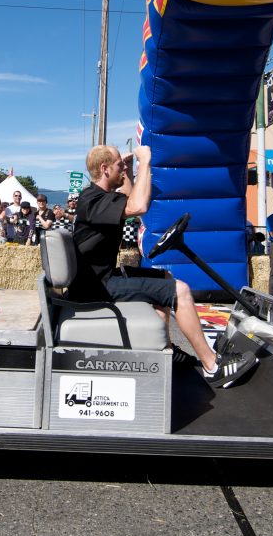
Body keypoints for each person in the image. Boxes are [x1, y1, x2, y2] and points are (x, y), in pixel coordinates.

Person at [68, 144, 257, 387]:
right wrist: (145, 161)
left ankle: (164, 350)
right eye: (118, 166)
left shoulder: (102, 197)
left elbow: (129, 195)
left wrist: (126, 168)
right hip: (95, 287)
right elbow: (138, 206)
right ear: (104, 169)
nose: (123, 168)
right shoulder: (92, 200)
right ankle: (213, 367)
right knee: (181, 290)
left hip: (100, 278)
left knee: (165, 279)